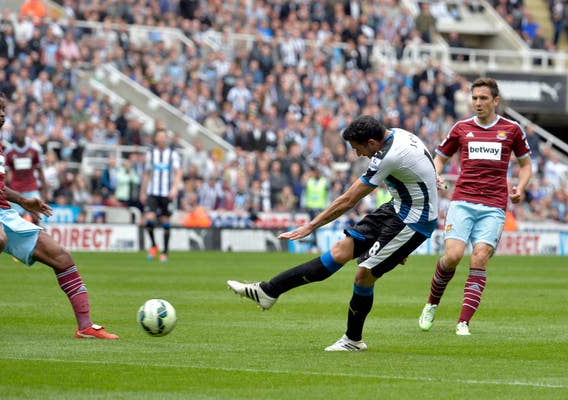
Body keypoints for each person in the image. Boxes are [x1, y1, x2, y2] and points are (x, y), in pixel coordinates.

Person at [228, 115, 439, 351]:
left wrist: (310, 226)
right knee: (340, 251)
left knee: (364, 275)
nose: (359, 154)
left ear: (371, 142)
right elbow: (426, 164)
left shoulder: (388, 156)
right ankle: (268, 291)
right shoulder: (398, 134)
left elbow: (348, 199)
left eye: (358, 148)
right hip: (398, 207)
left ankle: (353, 340)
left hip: (413, 221)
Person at [0, 88, 118, 339]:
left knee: (62, 256)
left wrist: (24, 201)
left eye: (4, 110)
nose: (3, 115)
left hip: (2, 211)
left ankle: (85, 326)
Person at [418, 77, 532, 336]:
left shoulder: (512, 130)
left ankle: (463, 322)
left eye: (483, 98)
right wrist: (436, 173)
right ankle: (431, 304)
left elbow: (525, 165)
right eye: (474, 98)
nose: (478, 103)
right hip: (463, 201)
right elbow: (440, 157)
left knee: (479, 256)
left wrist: (520, 188)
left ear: (495, 101)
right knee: (453, 256)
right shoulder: (461, 128)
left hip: (493, 205)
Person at [141, 129, 182, 262]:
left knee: (165, 222)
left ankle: (165, 251)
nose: (162, 139)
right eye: (159, 136)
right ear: (156, 139)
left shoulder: (172, 154)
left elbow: (178, 172)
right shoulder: (151, 154)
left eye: (164, 136)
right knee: (149, 220)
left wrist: (175, 188)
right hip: (153, 192)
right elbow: (147, 173)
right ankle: (153, 245)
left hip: (166, 193)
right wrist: (143, 191)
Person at [5, 127, 47, 225]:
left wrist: (44, 192)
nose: (19, 135)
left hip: (32, 188)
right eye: (17, 132)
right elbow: (5, 174)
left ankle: (37, 238)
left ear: (25, 133)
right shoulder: (9, 152)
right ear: (14, 134)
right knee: (16, 220)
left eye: (21, 132)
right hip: (16, 189)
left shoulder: (34, 150)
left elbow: (40, 172)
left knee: (37, 216)